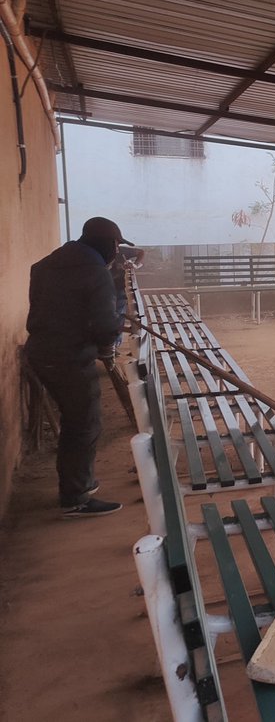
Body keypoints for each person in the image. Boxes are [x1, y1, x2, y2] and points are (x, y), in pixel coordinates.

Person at [25, 216, 128, 518]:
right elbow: (105, 327)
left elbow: (53, 308)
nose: (117, 251)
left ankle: (78, 485)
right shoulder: (95, 273)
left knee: (75, 421)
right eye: (117, 245)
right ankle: (76, 497)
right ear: (108, 244)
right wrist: (113, 332)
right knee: (83, 423)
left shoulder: (45, 265)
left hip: (42, 350)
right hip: (69, 357)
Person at [109, 244, 145, 347]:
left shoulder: (121, 250)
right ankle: (109, 346)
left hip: (119, 288)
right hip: (102, 288)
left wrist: (135, 265)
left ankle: (114, 345)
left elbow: (141, 252)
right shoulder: (96, 252)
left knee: (118, 315)